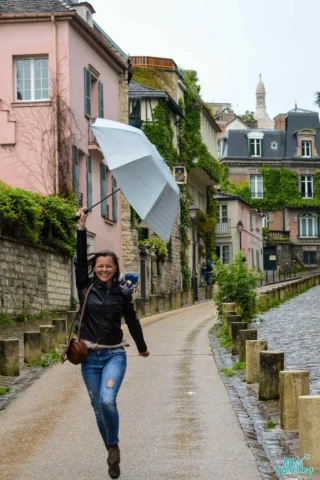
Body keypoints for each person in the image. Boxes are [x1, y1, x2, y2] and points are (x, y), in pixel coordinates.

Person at [75, 208, 149, 479]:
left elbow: (132, 321)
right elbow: (79, 260)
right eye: (100, 266)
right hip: (88, 358)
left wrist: (141, 347)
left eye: (109, 266)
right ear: (95, 269)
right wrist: (81, 227)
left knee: (107, 401)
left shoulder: (122, 294)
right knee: (96, 406)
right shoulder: (85, 287)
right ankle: (112, 450)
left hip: (114, 355)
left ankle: (113, 445)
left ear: (116, 268)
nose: (104, 269)